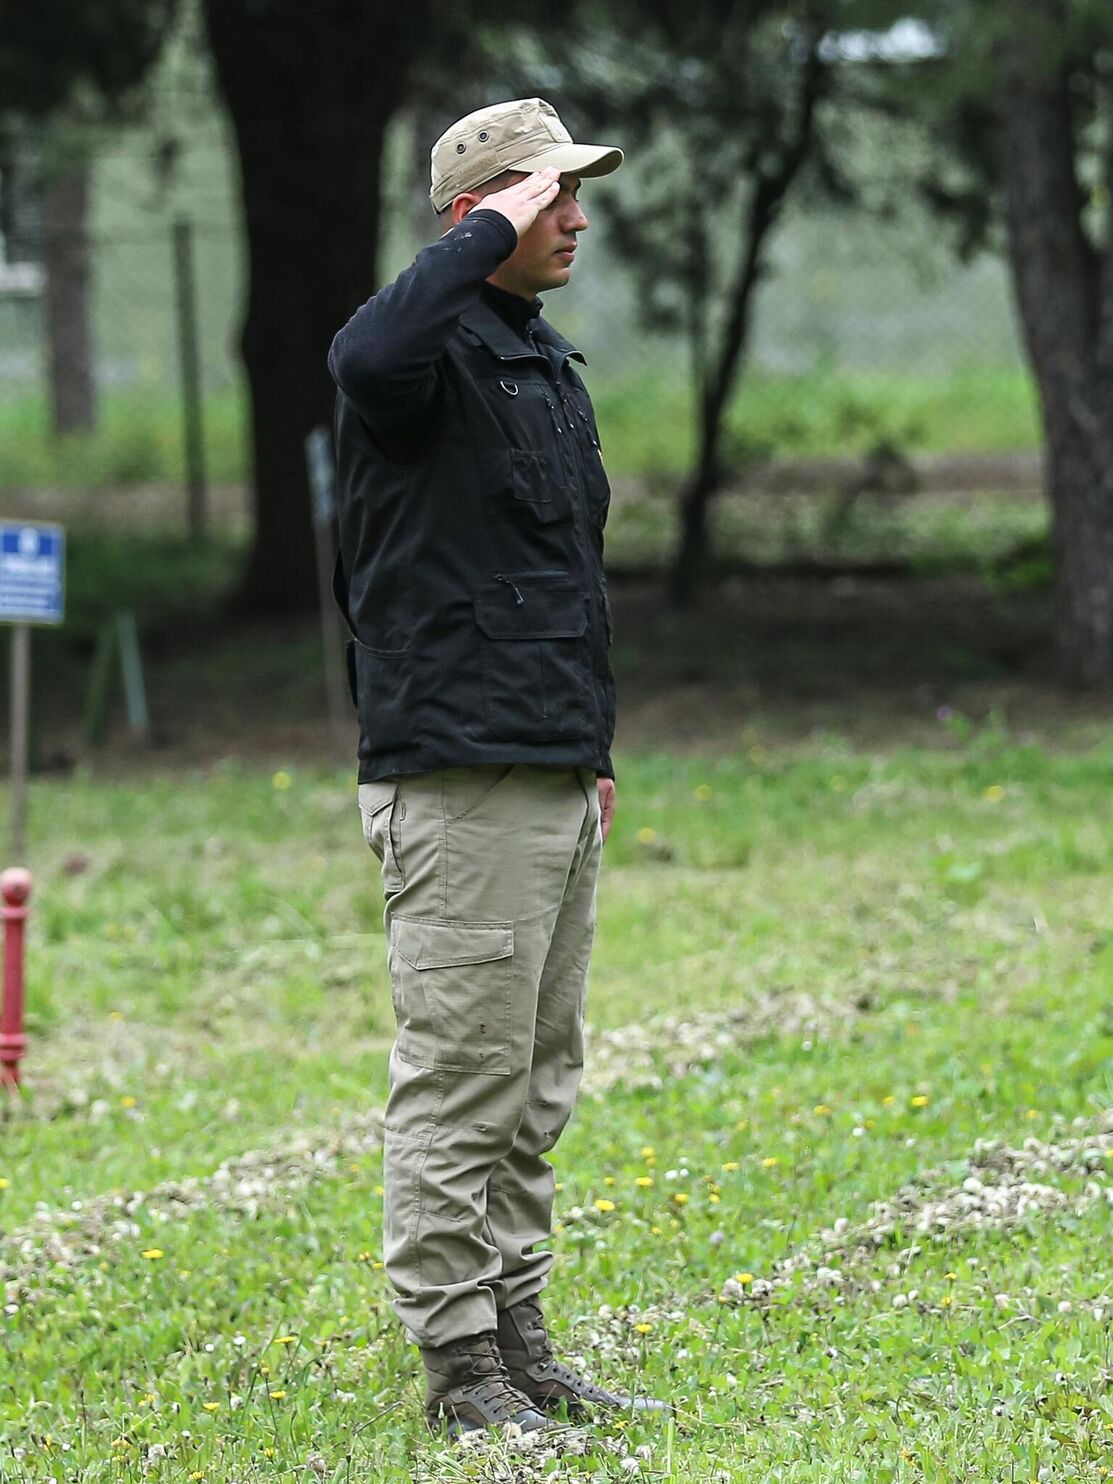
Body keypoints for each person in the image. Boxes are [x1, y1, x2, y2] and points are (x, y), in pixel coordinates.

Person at [328, 97, 661, 1437]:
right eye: (550, 196)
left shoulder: (534, 358)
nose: (576, 216)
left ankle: (521, 1338)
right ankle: (459, 1368)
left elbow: (556, 578)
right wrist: (483, 232)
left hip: (542, 767)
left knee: (537, 1078)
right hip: (457, 776)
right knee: (463, 1077)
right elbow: (364, 347)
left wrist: (592, 753)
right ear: (486, 213)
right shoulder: (419, 355)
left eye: (575, 194)